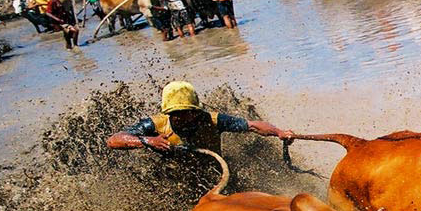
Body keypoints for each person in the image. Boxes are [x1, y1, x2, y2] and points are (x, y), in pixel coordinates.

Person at [106, 81, 292, 154]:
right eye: (176, 114)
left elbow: (252, 126)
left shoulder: (212, 120)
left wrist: (279, 132)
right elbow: (114, 140)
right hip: (174, 180)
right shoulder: (155, 125)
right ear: (168, 113)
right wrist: (148, 141)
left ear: (196, 110)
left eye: (187, 112)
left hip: (214, 172)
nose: (183, 118)